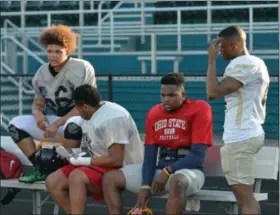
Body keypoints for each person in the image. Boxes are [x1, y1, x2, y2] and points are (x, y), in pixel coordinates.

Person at [102, 73, 213, 215]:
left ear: (183, 95)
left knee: (177, 182)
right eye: (163, 95)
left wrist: (168, 170)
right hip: (160, 171)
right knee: (110, 178)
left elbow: (197, 156)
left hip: (189, 171)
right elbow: (149, 155)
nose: (166, 99)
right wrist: (145, 185)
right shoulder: (154, 113)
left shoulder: (200, 109)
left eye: (172, 95)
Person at [8, 24, 97, 183]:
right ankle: (41, 168)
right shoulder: (41, 72)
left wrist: (55, 125)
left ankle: (71, 168)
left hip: (84, 122)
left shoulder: (81, 67)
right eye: (50, 51)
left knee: (73, 124)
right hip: (59, 120)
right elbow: (38, 102)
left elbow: (82, 108)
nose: (53, 55)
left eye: (58, 51)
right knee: (15, 125)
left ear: (68, 51)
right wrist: (38, 115)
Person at [46, 84, 143, 215]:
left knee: (77, 177)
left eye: (77, 108)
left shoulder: (113, 118)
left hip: (123, 168)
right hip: (97, 162)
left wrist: (83, 161)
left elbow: (116, 160)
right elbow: (93, 147)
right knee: (53, 181)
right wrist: (72, 155)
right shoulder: (92, 112)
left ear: (85, 107)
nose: (77, 112)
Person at [206, 25, 270, 215]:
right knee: (244, 196)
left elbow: (212, 92)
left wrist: (211, 62)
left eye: (222, 46)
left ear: (235, 45)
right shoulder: (255, 62)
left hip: (241, 136)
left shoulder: (243, 63)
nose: (219, 50)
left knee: (245, 198)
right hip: (246, 132)